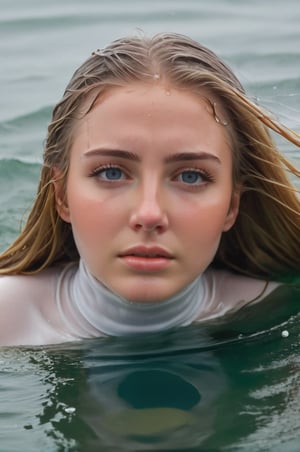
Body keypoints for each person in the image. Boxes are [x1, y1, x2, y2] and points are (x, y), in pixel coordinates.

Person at [0, 32, 299, 346]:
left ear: (232, 205)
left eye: (191, 177)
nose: (149, 214)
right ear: (61, 195)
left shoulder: (275, 310)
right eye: (111, 172)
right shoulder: (8, 320)